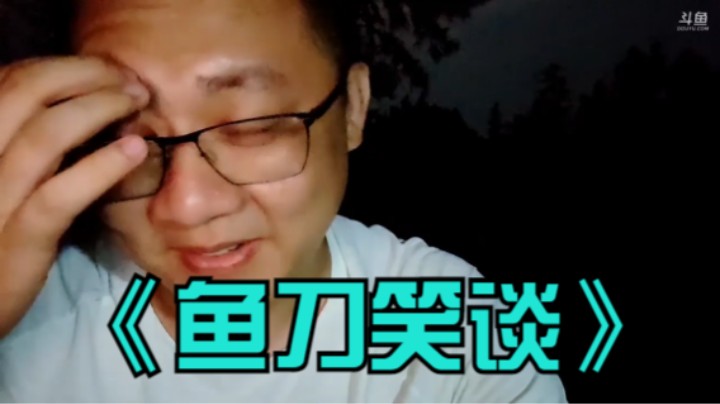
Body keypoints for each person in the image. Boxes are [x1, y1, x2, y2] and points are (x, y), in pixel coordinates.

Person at [0, 0, 567, 401]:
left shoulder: (462, 338)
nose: (187, 206)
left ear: (353, 107)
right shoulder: (26, 308)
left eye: (252, 127)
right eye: (126, 142)